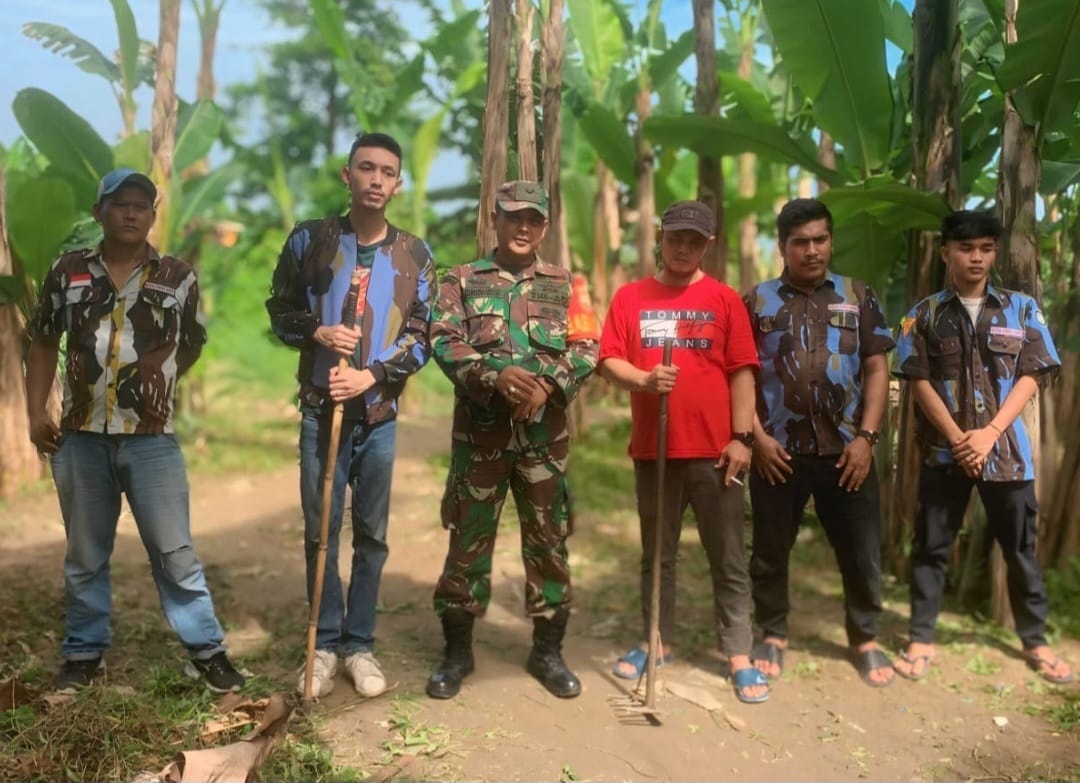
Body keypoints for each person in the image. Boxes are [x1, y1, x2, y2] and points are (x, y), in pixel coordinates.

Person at [26, 168, 245, 693]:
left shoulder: (177, 275)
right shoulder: (67, 271)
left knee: (174, 553)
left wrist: (157, 381)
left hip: (151, 441)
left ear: (152, 215)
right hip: (79, 438)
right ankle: (83, 655)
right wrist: (37, 413)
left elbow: (190, 342)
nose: (131, 213)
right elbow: (39, 341)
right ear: (100, 210)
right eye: (120, 204)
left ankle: (206, 651)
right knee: (84, 553)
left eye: (141, 206)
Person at [266, 132, 437, 699]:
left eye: (387, 172)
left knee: (372, 535)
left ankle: (360, 644)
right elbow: (279, 310)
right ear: (348, 175)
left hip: (378, 416)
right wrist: (314, 330)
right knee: (321, 532)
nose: (376, 180)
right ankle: (324, 646)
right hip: (322, 412)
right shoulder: (311, 240)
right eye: (366, 168)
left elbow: (422, 336)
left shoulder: (416, 255)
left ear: (398, 183)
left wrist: (374, 374)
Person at [425, 181, 598, 700]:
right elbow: (443, 339)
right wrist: (494, 376)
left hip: (544, 445)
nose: (524, 227)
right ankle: (457, 653)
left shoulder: (570, 284)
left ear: (544, 226)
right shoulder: (460, 279)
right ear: (495, 219)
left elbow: (588, 346)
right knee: (467, 544)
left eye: (534, 219)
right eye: (513, 217)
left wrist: (549, 385)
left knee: (549, 544)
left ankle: (547, 651)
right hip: (480, 441)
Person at [597, 200, 767, 704]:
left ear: (707, 245)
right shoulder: (632, 298)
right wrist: (646, 381)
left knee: (729, 556)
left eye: (694, 240)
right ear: (660, 238)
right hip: (656, 452)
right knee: (658, 555)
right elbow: (609, 360)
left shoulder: (724, 301)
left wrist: (742, 439)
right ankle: (657, 639)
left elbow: (741, 370)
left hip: (716, 454)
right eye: (676, 238)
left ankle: (738, 653)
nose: (683, 247)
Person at [893, 210, 1072, 684]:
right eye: (967, 248)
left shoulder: (1023, 309)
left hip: (1008, 455)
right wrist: (958, 439)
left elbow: (1033, 374)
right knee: (931, 548)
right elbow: (918, 381)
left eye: (986, 248)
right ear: (946, 251)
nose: (976, 257)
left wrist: (990, 433)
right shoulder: (922, 314)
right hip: (943, 454)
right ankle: (920, 638)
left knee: (1020, 551)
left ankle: (1035, 641)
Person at [744, 198, 896, 688]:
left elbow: (876, 367)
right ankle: (771, 632)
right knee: (769, 549)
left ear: (831, 240)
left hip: (847, 453)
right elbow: (740, 374)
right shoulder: (756, 301)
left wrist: (867, 438)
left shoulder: (858, 295)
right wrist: (756, 438)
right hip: (777, 454)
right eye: (800, 242)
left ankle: (865, 636)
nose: (811, 250)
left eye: (820, 240)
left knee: (861, 551)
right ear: (783, 246)